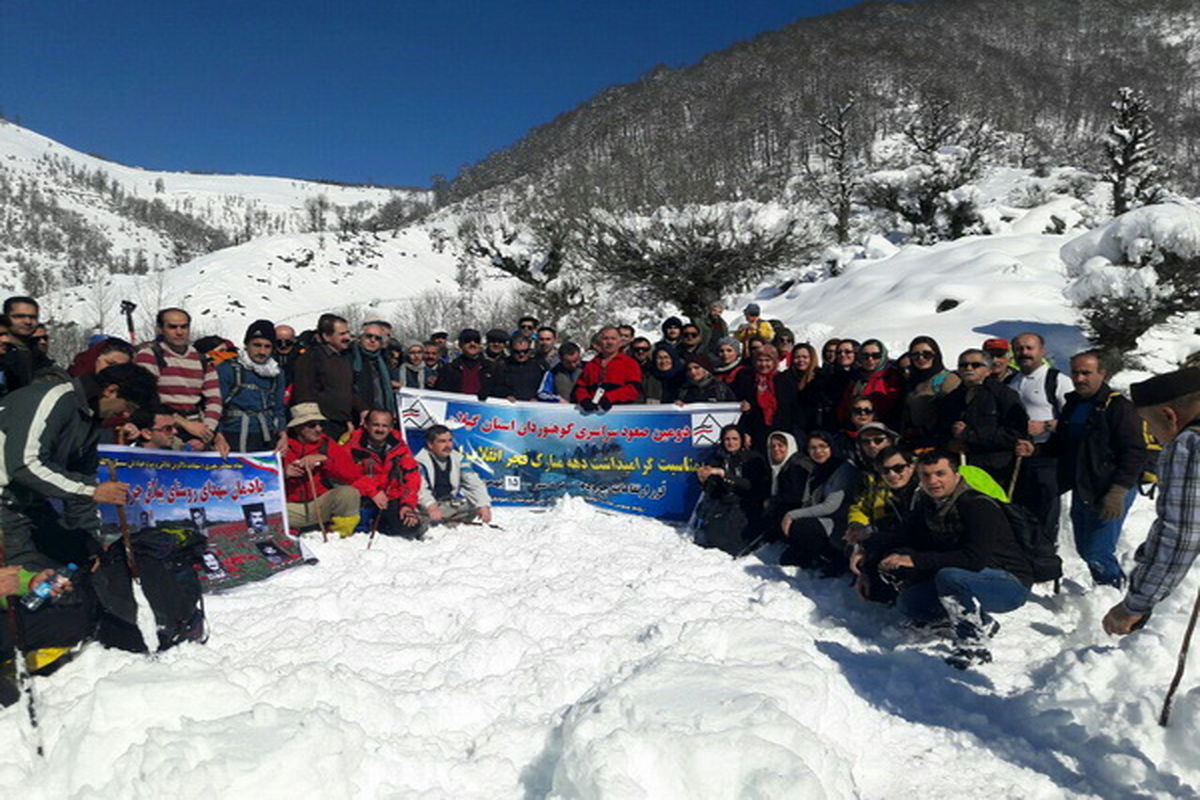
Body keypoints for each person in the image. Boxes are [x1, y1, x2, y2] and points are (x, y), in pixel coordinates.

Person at [877, 451, 1035, 669]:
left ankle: (973, 644)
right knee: (910, 603)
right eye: (926, 476)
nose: (933, 481)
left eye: (940, 474)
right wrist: (869, 547)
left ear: (956, 475)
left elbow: (974, 559)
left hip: (1008, 582)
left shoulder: (978, 505)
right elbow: (905, 536)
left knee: (949, 576)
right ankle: (982, 622)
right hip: (968, 578)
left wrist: (916, 560)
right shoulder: (929, 505)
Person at [1103, 367, 1200, 636]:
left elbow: (1181, 534)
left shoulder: (1190, 444)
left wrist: (1135, 604)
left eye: (1148, 424)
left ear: (1169, 416)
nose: (1152, 437)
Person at [1038, 351, 1146, 588]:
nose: (1079, 379)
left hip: (1111, 487)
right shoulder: (1074, 404)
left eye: (1086, 373)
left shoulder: (1118, 407)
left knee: (1098, 550)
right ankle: (1106, 590)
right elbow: (1065, 443)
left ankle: (1116, 594)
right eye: (1075, 373)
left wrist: (1117, 492)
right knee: (1085, 548)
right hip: (1083, 485)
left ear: (1102, 373)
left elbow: (1135, 451)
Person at [1005, 332, 1073, 541]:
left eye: (1029, 348)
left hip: (1047, 458)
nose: (1024, 353)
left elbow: (1075, 420)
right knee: (1019, 512)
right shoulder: (1011, 381)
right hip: (1017, 458)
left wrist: (1046, 426)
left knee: (1045, 513)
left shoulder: (1057, 380)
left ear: (1041, 351)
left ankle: (1046, 557)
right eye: (1019, 349)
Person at [133, 307, 228, 456]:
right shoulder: (149, 356)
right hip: (162, 429)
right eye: (172, 327)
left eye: (184, 327)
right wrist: (183, 423)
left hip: (196, 427)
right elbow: (145, 399)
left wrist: (206, 432)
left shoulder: (202, 360)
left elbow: (214, 399)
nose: (179, 332)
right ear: (161, 329)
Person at [938, 349, 1028, 485]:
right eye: (963, 365)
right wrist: (949, 444)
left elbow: (1015, 433)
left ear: (988, 370)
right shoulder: (952, 398)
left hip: (996, 470)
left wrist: (969, 434)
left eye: (975, 365)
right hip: (961, 468)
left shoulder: (1003, 394)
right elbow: (940, 430)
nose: (969, 368)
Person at [778, 431, 859, 574]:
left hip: (839, 522)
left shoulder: (843, 469)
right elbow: (807, 501)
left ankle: (832, 557)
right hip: (823, 519)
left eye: (823, 446)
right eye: (813, 448)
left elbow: (831, 506)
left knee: (802, 525)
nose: (818, 452)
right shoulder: (817, 469)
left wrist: (791, 515)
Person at [848, 446, 921, 603]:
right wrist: (863, 545)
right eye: (886, 471)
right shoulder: (896, 494)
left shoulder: (922, 492)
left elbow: (912, 533)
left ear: (911, 466)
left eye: (898, 468)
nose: (892, 475)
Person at [343, 409, 426, 539]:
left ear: (391, 427)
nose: (380, 429)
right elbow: (344, 474)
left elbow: (411, 477)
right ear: (366, 425)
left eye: (384, 425)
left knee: (409, 528)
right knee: (356, 531)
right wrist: (372, 491)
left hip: (390, 498)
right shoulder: (353, 446)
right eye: (376, 425)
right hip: (363, 499)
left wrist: (407, 505)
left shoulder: (399, 447)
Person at [282, 403, 362, 537]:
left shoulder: (327, 444)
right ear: (297, 428)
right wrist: (283, 474)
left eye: (321, 424)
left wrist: (326, 460)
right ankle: (287, 531)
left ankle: (338, 536)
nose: (319, 429)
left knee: (349, 493)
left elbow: (353, 475)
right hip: (289, 507)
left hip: (319, 504)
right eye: (312, 425)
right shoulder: (282, 447)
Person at [693, 425, 769, 555]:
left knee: (734, 541)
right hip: (725, 505)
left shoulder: (753, 459)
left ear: (741, 440)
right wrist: (703, 480)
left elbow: (751, 486)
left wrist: (725, 475)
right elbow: (712, 490)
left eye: (735, 439)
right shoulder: (719, 459)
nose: (731, 443)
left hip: (748, 505)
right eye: (727, 439)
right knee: (712, 536)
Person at [214, 319, 288, 453]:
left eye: (267, 346)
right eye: (257, 345)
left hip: (266, 435)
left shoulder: (276, 372)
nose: (262, 351)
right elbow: (215, 405)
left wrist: (282, 434)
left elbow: (278, 407)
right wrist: (218, 435)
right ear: (246, 345)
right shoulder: (228, 369)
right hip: (233, 433)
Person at [413, 425, 493, 525]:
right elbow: (419, 489)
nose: (448, 445)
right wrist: (431, 506)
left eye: (450, 440)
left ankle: (448, 521)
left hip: (448, 504)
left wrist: (483, 505)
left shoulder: (458, 458)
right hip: (427, 507)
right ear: (430, 444)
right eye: (442, 441)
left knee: (475, 506)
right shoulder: (418, 461)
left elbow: (474, 482)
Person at [292, 313, 355, 438]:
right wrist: (312, 425)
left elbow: (346, 390)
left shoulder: (344, 357)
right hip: (321, 426)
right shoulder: (311, 358)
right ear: (327, 336)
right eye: (342, 334)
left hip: (341, 423)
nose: (348, 337)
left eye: (348, 333)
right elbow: (303, 393)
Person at [735, 344, 799, 453]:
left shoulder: (784, 380)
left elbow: (792, 408)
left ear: (774, 361)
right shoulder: (747, 380)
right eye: (760, 360)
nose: (763, 364)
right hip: (757, 432)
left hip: (782, 431)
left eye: (767, 360)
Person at [900, 336, 959, 450]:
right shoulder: (912, 381)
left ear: (935, 355)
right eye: (915, 355)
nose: (921, 358)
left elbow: (954, 413)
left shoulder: (948, 379)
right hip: (915, 444)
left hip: (940, 445)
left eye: (927, 354)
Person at [572, 326, 642, 410]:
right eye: (605, 339)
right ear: (599, 342)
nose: (609, 342)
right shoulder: (591, 365)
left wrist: (610, 397)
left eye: (613, 339)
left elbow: (633, 389)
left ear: (620, 342)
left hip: (621, 413)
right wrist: (584, 399)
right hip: (593, 414)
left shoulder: (630, 363)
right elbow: (580, 387)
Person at [838, 338, 904, 427]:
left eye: (876, 355)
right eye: (865, 356)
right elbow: (845, 405)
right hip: (854, 430)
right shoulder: (855, 377)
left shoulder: (891, 376)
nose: (870, 359)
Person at [2, 295, 55, 392]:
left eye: (33, 317)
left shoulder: (36, 352)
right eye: (19, 316)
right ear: (6, 317)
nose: (28, 321)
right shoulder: (3, 351)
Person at [763, 431, 810, 538]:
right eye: (772, 446)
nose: (776, 449)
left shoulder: (797, 465)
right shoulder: (779, 467)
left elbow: (797, 496)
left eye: (780, 445)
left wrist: (773, 501)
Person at [351, 320, 398, 419]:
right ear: (361, 337)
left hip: (380, 415)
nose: (372, 340)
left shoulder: (382, 360)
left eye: (377, 338)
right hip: (358, 414)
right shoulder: (351, 357)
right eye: (369, 336)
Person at [487, 334, 545, 401]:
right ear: (511, 350)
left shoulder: (539, 366)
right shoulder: (501, 365)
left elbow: (545, 389)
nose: (521, 355)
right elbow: (493, 387)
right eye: (517, 352)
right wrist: (505, 395)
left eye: (525, 351)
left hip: (532, 407)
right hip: (508, 406)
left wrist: (537, 398)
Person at [439, 328, 493, 398]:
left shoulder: (491, 368)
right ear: (460, 344)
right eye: (467, 341)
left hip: (483, 407)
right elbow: (441, 394)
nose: (472, 344)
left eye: (476, 341)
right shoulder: (450, 368)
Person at [68, 337, 135, 378]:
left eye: (122, 368)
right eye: (110, 363)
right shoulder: (74, 380)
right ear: (96, 358)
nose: (115, 370)